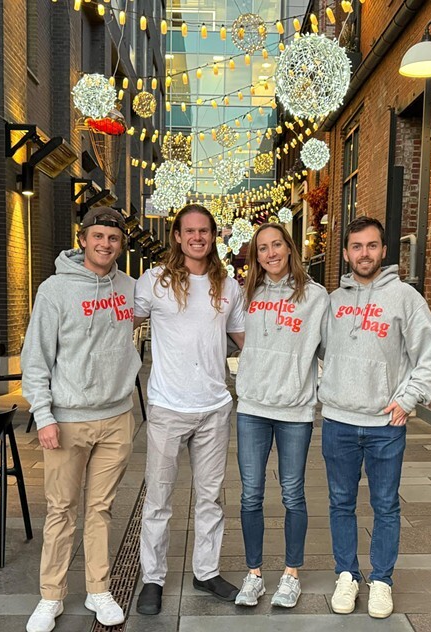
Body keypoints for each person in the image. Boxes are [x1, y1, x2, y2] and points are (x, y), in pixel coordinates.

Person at [21, 207, 141, 632]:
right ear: (83, 238)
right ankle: (50, 596)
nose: (105, 244)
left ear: (120, 244)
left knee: (101, 509)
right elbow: (35, 359)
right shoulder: (54, 290)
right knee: (61, 510)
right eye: (98, 236)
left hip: (116, 417)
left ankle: (98, 588)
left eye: (113, 237)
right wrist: (43, 416)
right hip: (67, 419)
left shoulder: (130, 288)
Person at [319, 216, 431, 619]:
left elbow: (430, 357)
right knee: (341, 503)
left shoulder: (406, 298)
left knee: (385, 505)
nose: (364, 253)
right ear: (345, 252)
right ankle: (346, 575)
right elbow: (315, 349)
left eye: (372, 245)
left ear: (384, 250)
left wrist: (408, 399)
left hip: (385, 425)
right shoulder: (333, 300)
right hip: (338, 420)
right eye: (356, 246)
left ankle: (382, 581)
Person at [134, 204, 246, 615]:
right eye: (189, 231)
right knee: (158, 499)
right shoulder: (154, 282)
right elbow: (117, 321)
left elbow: (243, 338)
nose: (197, 237)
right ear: (177, 237)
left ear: (213, 236)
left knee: (210, 497)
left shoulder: (228, 285)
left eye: (204, 231)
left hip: (214, 407)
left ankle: (206, 570)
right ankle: (152, 578)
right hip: (166, 405)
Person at [232, 223, 329, 609]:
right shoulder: (247, 295)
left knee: (292, 493)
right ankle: (253, 574)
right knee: (250, 494)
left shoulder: (317, 297)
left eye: (276, 245)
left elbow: (332, 351)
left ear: (290, 248)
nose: (270, 253)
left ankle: (291, 575)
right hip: (252, 408)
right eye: (262, 249)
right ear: (256, 256)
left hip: (295, 410)